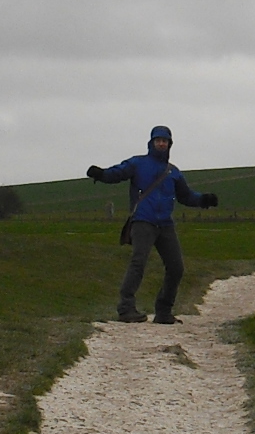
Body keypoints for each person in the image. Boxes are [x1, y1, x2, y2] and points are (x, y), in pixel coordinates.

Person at [86, 125, 220, 323]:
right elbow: (118, 173)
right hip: (143, 221)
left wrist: (203, 200)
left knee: (176, 268)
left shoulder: (173, 172)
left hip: (165, 224)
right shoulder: (138, 163)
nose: (161, 143)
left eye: (165, 141)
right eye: (158, 140)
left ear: (169, 144)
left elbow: (186, 196)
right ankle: (126, 309)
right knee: (138, 263)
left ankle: (164, 311)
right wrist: (101, 174)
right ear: (151, 142)